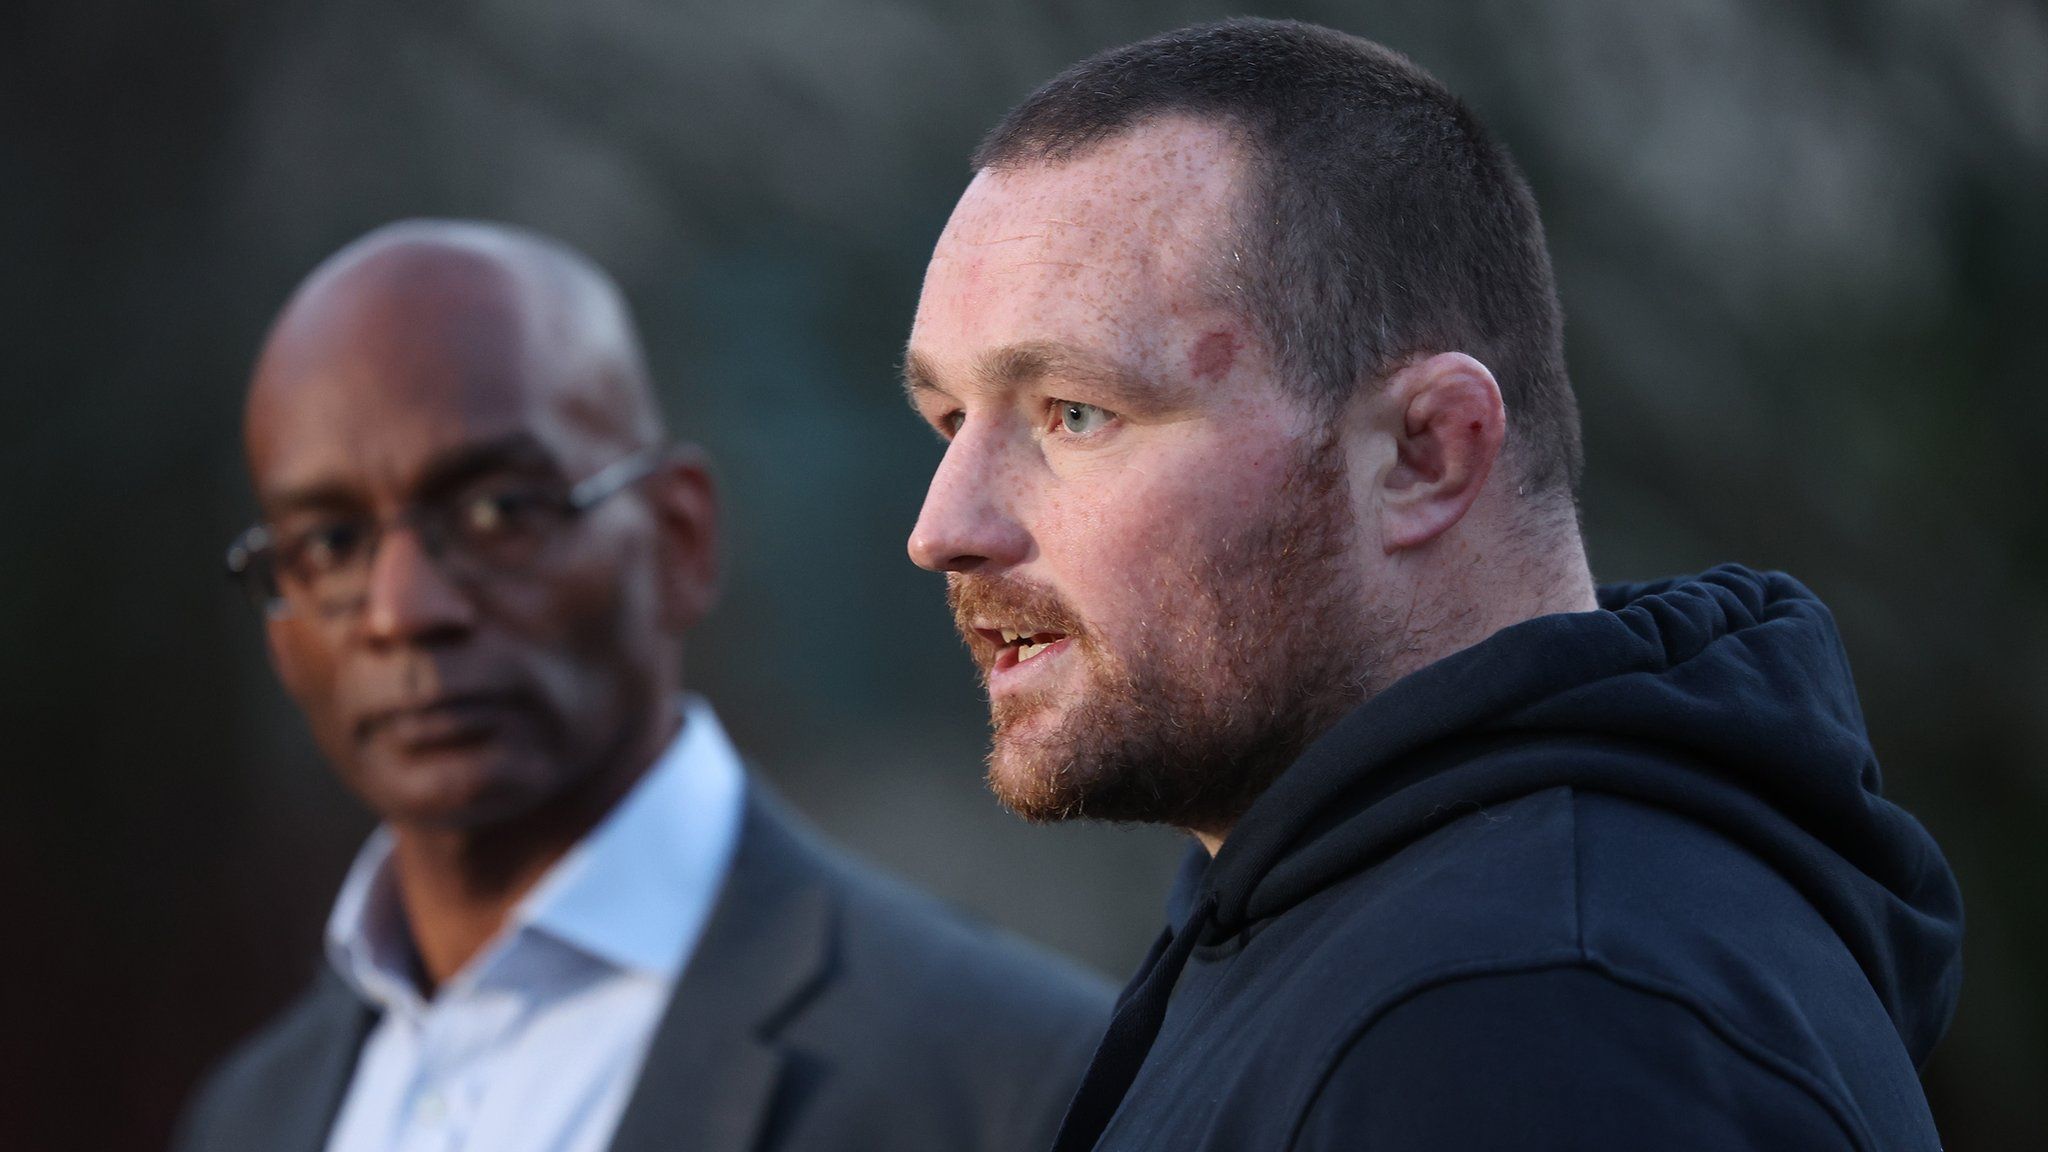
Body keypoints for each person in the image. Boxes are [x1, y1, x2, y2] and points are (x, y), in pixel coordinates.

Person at [903, 18, 1963, 1151]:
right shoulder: (1357, 934)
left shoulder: (1539, 1017)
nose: (941, 528)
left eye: (1075, 411)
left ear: (1425, 453)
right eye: (951, 420)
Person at [176, 219, 1112, 1152]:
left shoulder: (1018, 1084)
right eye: (331, 545)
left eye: (498, 510)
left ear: (679, 537)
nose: (405, 609)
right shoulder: (247, 1117)